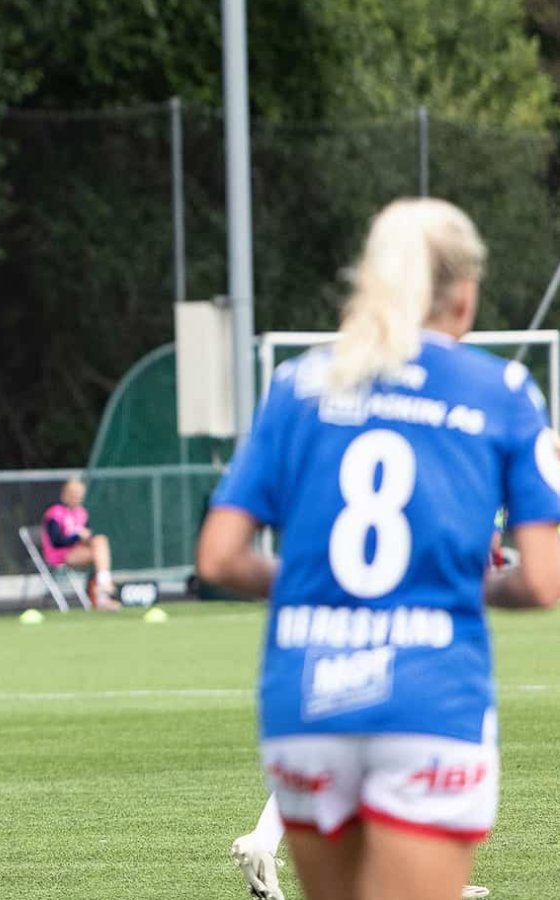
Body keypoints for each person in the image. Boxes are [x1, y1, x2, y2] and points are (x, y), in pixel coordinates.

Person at [196, 198, 560, 900]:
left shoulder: (298, 384)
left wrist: (323, 583)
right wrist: (446, 584)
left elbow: (217, 559)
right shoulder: (503, 391)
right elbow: (543, 582)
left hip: (309, 692)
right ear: (464, 295)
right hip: (431, 697)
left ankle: (265, 839)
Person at [41, 478, 118, 609]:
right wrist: (77, 536)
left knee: (100, 541)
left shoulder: (81, 513)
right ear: (65, 495)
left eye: (79, 494)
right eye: (74, 494)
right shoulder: (54, 513)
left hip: (78, 550)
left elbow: (87, 535)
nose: (77, 498)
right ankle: (103, 594)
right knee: (99, 554)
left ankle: (103, 587)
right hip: (59, 555)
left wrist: (86, 538)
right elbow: (56, 542)